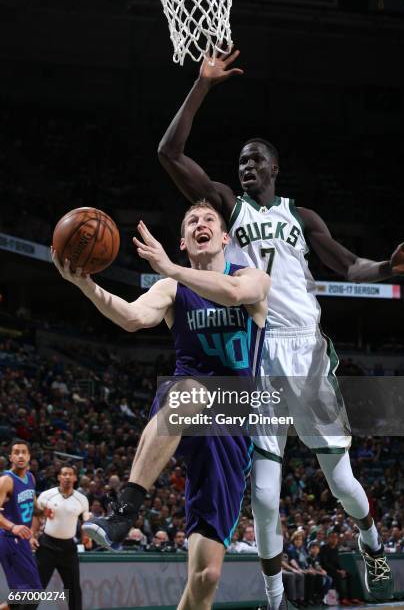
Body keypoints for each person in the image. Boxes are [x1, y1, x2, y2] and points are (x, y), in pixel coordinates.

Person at [156, 49, 404, 607]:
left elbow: (348, 266)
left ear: (274, 168)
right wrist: (201, 85)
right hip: (259, 354)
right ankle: (274, 599)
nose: (246, 166)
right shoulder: (227, 208)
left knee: (340, 481)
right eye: (241, 160)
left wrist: (388, 268)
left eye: (256, 160)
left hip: (307, 354)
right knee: (264, 497)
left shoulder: (301, 217)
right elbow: (168, 152)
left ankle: (370, 540)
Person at [53, 204, 271, 610]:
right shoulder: (172, 289)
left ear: (225, 238)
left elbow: (238, 295)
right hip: (186, 398)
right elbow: (133, 318)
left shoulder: (250, 276)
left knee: (206, 576)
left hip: (234, 423)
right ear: (183, 242)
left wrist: (170, 267)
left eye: (210, 221)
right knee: (192, 391)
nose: (201, 225)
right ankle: (124, 509)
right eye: (191, 222)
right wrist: (86, 285)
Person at [0, 440, 53, 610]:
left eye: (24, 452)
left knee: (23, 595)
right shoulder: (6, 481)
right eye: (16, 452)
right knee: (31, 592)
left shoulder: (30, 477)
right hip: (8, 539)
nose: (20, 455)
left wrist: (43, 512)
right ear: (10, 457)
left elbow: (33, 506)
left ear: (29, 456)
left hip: (21, 540)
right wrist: (12, 527)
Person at [31, 465, 90, 610]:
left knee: (73, 588)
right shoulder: (46, 495)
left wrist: (87, 538)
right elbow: (36, 517)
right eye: (64, 474)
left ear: (75, 478)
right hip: (46, 546)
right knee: (36, 586)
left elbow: (86, 522)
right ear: (59, 477)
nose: (67, 477)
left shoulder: (82, 499)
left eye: (70, 474)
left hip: (68, 548)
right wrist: (32, 536)